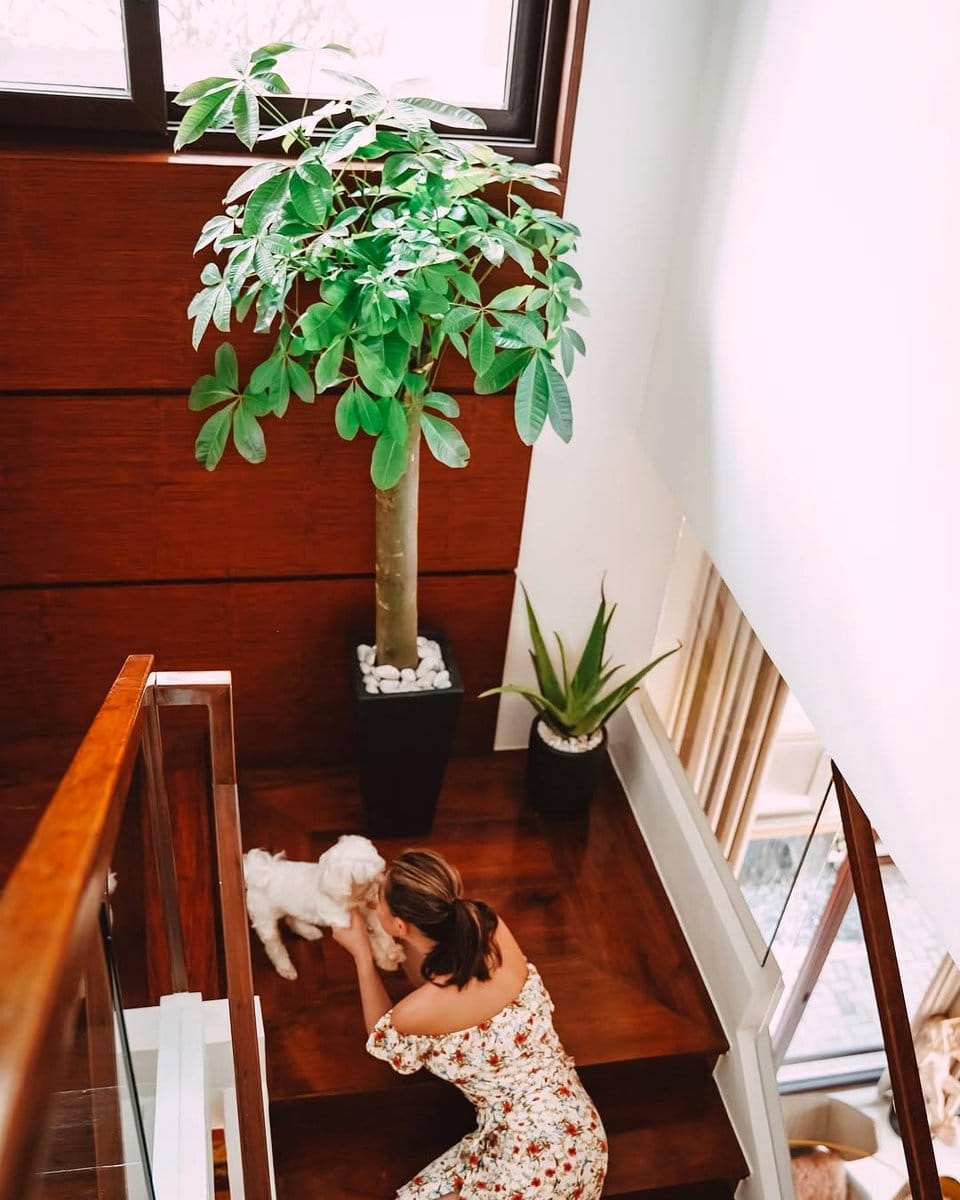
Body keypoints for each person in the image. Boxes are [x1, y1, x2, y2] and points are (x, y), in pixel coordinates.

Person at [331, 848, 608, 1200]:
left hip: (531, 1164)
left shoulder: (414, 1013)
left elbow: (381, 1033)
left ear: (400, 925)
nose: (374, 900)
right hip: (580, 1132)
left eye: (378, 896)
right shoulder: (488, 925)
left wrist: (361, 954)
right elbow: (436, 973)